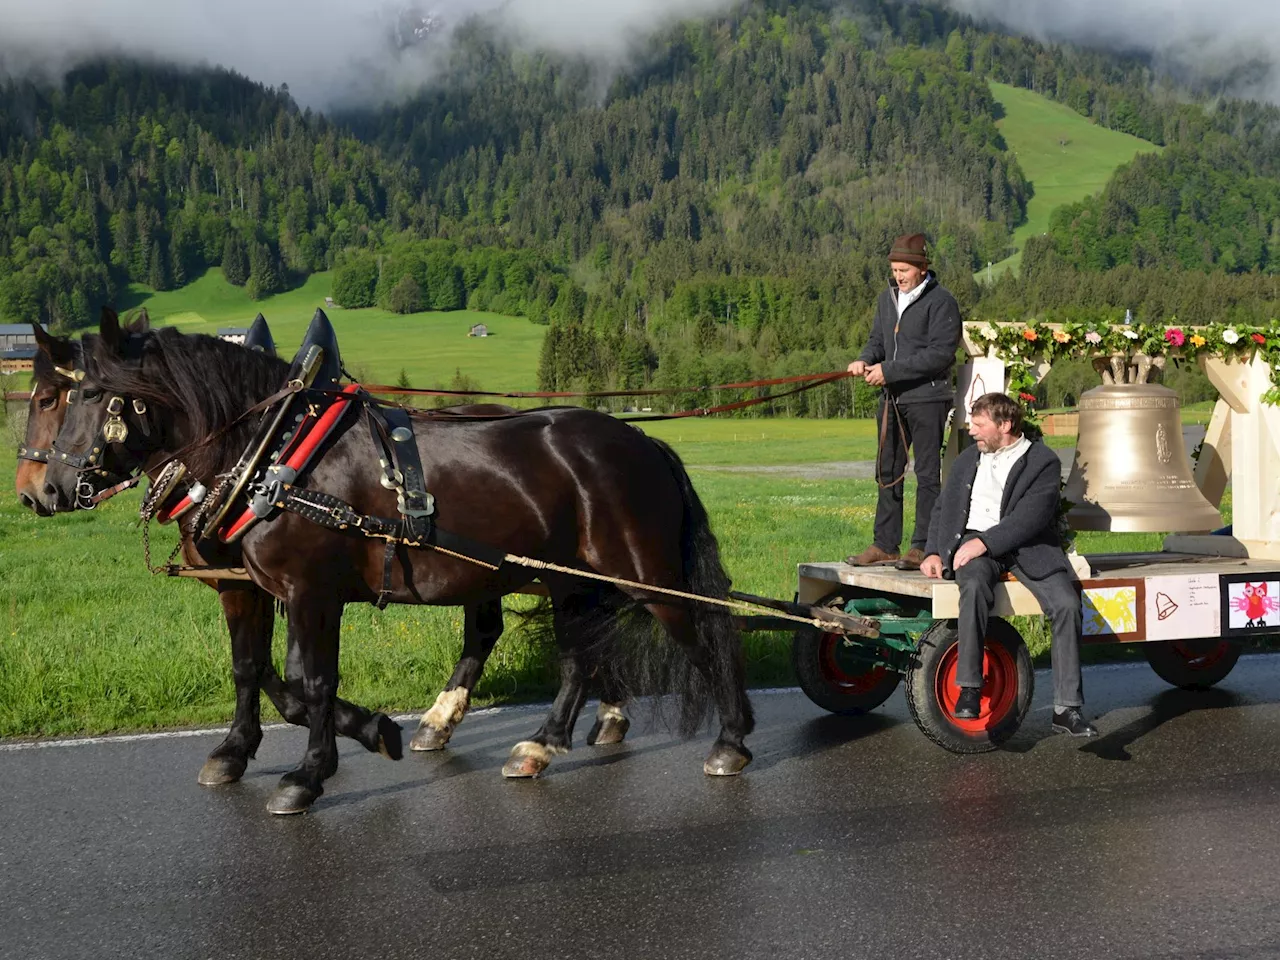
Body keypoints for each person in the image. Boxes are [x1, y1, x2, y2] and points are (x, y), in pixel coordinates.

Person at [920, 392, 1097, 737]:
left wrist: (984, 541)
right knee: (971, 586)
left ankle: (1067, 708)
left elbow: (1031, 518)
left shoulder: (1042, 461)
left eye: (979, 424)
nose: (972, 430)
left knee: (1066, 604)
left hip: (1028, 548)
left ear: (1005, 425)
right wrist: (931, 552)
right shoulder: (967, 459)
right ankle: (970, 688)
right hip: (972, 546)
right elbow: (943, 507)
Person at [846, 233, 962, 571]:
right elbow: (877, 341)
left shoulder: (942, 302)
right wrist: (864, 359)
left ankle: (924, 546)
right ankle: (885, 545)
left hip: (928, 398)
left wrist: (890, 371)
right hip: (891, 399)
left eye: (904, 270)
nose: (898, 276)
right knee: (887, 472)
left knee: (927, 474)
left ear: (922, 269)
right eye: (895, 270)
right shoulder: (886, 299)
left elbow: (940, 355)